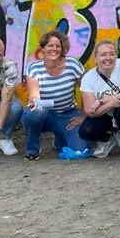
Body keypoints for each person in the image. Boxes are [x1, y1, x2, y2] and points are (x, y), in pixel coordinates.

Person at [21, 30, 89, 160]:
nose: (54, 49)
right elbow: (34, 94)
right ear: (43, 48)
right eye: (50, 45)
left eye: (58, 46)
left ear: (63, 49)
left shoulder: (73, 64)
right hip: (45, 114)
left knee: (79, 150)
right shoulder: (34, 68)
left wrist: (82, 115)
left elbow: (86, 90)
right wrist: (35, 101)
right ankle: (32, 150)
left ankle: (60, 140)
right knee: (34, 114)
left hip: (68, 114)